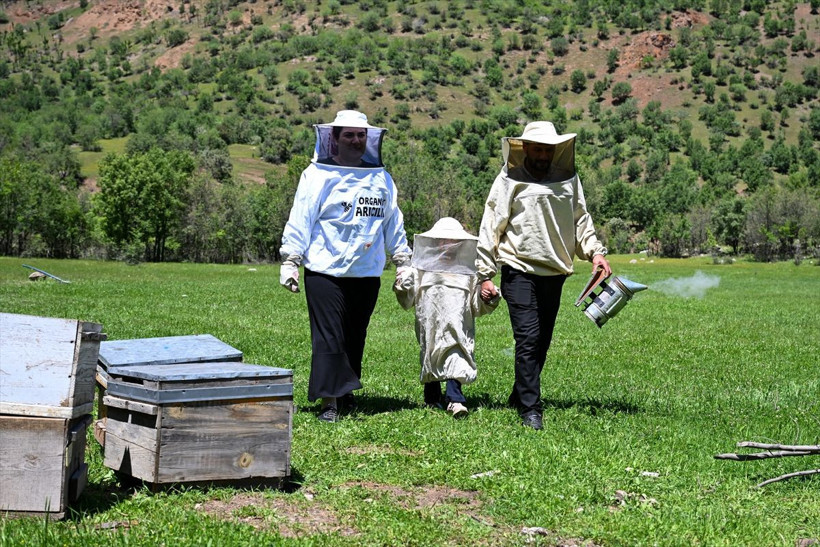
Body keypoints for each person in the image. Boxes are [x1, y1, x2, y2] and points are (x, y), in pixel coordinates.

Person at [476, 121, 611, 431]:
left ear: (555, 151)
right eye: (537, 148)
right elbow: (490, 224)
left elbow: (581, 220)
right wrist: (485, 273)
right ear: (525, 148)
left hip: (555, 271)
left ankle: (519, 394)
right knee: (528, 338)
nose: (542, 154)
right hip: (518, 268)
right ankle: (530, 409)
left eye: (547, 149)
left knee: (542, 342)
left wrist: (596, 253)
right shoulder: (508, 179)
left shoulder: (568, 179)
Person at [279, 110, 411, 423]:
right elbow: (301, 218)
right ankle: (329, 403)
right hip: (326, 270)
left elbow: (392, 222)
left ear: (369, 140)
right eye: (348, 135)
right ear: (334, 139)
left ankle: (345, 392)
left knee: (354, 335)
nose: (355, 140)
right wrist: (290, 260)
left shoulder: (381, 178)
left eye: (360, 135)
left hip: (366, 272)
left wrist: (403, 261)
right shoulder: (316, 175)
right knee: (329, 336)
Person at [393, 217, 499, 418]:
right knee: (431, 352)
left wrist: (489, 297)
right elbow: (407, 296)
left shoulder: (469, 270)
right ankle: (432, 398)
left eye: (453, 241)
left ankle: (455, 399)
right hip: (429, 322)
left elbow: (477, 304)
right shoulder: (420, 267)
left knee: (457, 353)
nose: (448, 244)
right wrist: (402, 283)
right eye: (444, 240)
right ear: (437, 241)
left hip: (458, 322)